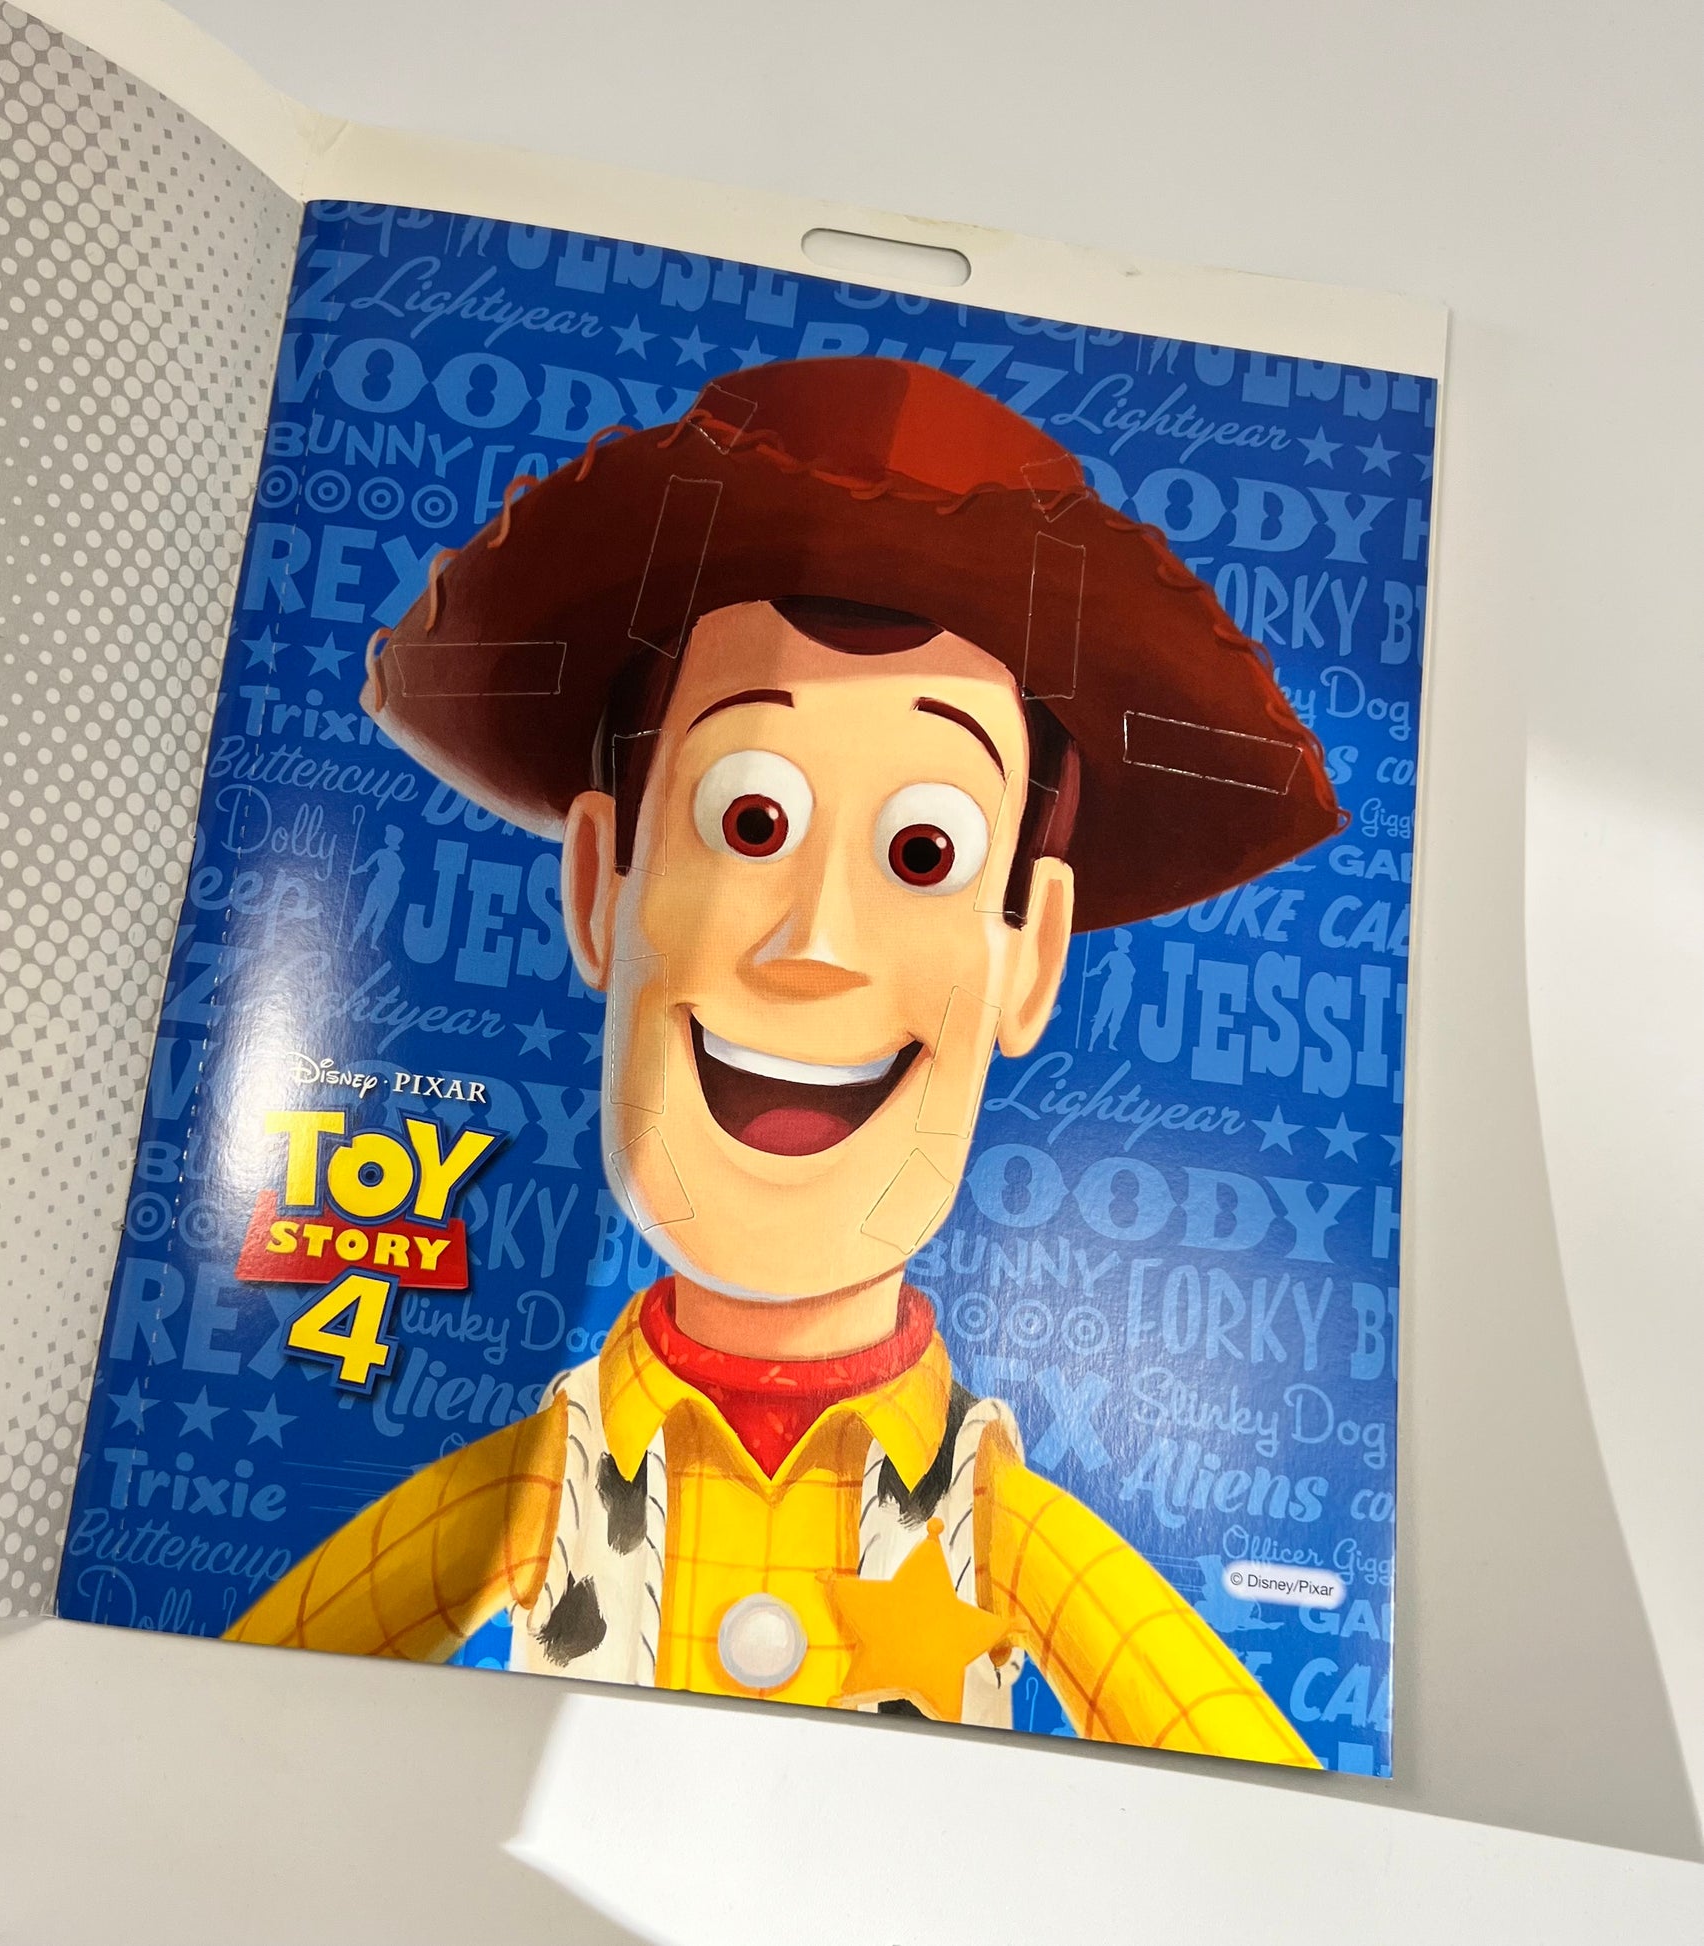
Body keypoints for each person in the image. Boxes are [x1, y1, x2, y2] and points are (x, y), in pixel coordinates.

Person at [227, 357, 1339, 1764]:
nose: (814, 944)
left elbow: (1258, 1785)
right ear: (600, 885)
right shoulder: (541, 1483)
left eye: (923, 851)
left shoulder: (994, 1523)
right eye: (749, 821)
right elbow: (213, 1716)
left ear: (1031, 956)